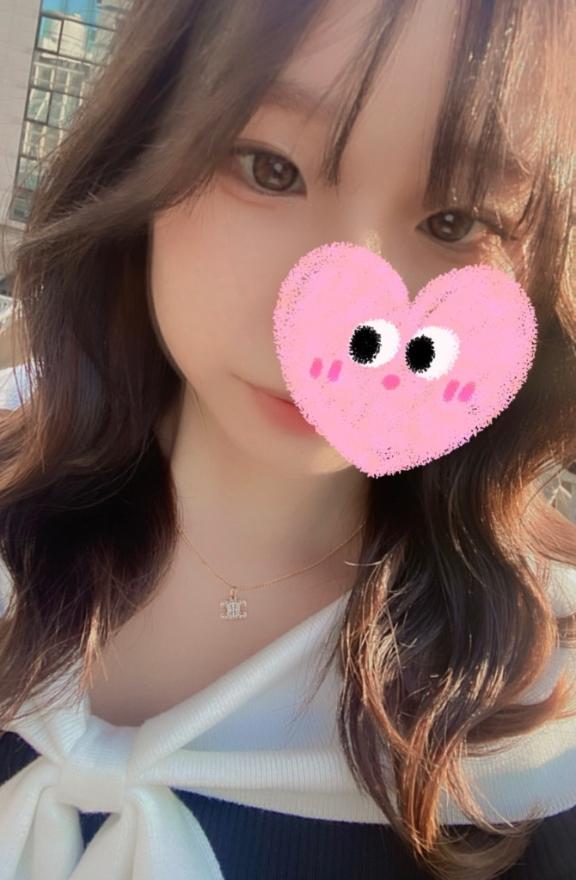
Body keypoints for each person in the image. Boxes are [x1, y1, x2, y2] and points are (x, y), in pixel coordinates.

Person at [0, 0, 574, 877]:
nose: (337, 328)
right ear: (145, 147)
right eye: (269, 168)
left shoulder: (537, 716)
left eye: (455, 222)